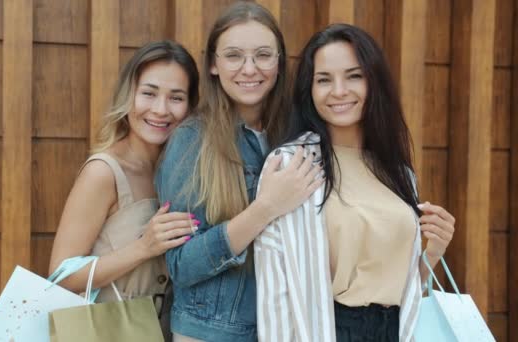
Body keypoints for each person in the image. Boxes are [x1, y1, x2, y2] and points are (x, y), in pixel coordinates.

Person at [254, 23, 456, 342]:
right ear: (309, 90)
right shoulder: (292, 163)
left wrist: (433, 253)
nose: (338, 91)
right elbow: (275, 289)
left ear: (373, 82)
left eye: (354, 76)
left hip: (395, 331)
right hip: (330, 331)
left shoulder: (398, 172)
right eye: (324, 80)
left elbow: (401, 286)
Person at [155, 2, 324, 342]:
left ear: (279, 63)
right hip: (213, 333)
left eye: (263, 55)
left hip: (288, 328)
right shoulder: (192, 141)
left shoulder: (302, 136)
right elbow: (181, 265)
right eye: (233, 56)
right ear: (214, 65)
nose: (249, 69)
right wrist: (265, 207)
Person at [49, 40, 199, 340]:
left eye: (176, 97)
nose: (160, 109)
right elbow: (61, 279)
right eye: (149, 93)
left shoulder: (183, 174)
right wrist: (144, 247)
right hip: (107, 332)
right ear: (128, 96)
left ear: (190, 106)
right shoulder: (103, 173)